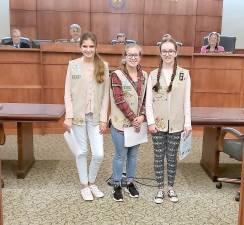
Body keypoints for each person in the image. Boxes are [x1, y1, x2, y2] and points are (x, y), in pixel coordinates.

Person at [64, 32, 109, 201]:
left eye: (91, 46)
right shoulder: (73, 65)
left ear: (96, 47)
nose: (88, 49)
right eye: (85, 46)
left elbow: (106, 95)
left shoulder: (103, 65)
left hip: (96, 117)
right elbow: (67, 92)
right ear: (80, 47)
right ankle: (85, 185)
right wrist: (69, 116)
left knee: (98, 154)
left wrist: (104, 118)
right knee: (81, 152)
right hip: (77, 117)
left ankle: (91, 181)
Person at [146, 35, 192, 204]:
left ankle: (170, 187)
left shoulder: (184, 74)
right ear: (160, 53)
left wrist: (187, 123)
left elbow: (187, 101)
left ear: (176, 53)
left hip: (177, 124)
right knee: (159, 156)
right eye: (164, 51)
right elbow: (148, 103)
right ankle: (160, 189)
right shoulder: (152, 75)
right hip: (157, 124)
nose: (167, 54)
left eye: (170, 51)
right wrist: (150, 122)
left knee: (171, 157)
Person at [110, 43, 148, 202]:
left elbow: (147, 99)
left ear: (140, 57)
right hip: (121, 123)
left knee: (133, 156)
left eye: (136, 55)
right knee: (121, 155)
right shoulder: (116, 75)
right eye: (130, 55)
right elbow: (119, 100)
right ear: (124, 57)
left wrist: (143, 116)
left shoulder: (145, 75)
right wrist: (134, 118)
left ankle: (130, 182)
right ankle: (117, 184)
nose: (133, 57)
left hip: (137, 124)